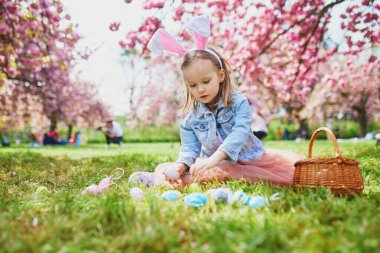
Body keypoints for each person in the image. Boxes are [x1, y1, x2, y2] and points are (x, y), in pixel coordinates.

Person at [128, 15, 304, 187]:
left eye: (206, 81)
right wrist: (181, 165)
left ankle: (168, 183)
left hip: (249, 161)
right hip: (214, 163)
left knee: (225, 173)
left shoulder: (237, 102)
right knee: (206, 171)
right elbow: (190, 148)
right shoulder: (192, 117)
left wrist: (216, 157)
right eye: (193, 85)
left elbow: (240, 132)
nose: (201, 89)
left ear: (220, 76)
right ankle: (168, 178)